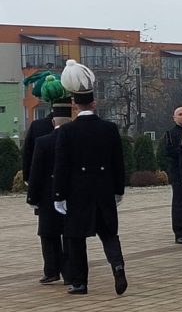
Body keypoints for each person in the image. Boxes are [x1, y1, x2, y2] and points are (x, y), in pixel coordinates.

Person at [51, 60, 128, 296]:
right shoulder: (109, 128)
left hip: (78, 191)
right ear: (94, 103)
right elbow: (118, 162)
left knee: (75, 237)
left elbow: (61, 165)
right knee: (108, 234)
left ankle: (80, 282)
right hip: (104, 188)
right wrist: (118, 189)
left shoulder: (66, 131)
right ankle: (117, 265)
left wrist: (58, 195)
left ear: (74, 104)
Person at [26, 89, 72, 285]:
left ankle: (52, 269)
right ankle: (70, 271)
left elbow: (30, 162)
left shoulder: (39, 131)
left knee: (48, 232)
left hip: (46, 189)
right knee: (68, 234)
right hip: (70, 189)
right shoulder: (74, 133)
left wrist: (32, 193)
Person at [163, 106, 182, 244]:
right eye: (180, 114)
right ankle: (180, 232)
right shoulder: (170, 133)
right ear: (174, 118)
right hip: (177, 173)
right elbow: (168, 153)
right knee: (179, 203)